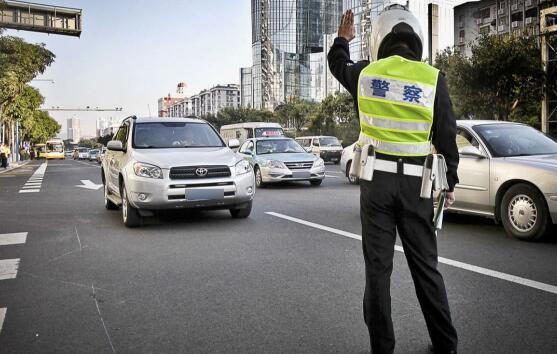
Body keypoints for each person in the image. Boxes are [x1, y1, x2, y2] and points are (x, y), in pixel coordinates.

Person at [328, 5, 459, 354]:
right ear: (414, 40)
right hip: (418, 186)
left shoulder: (366, 74)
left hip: (376, 185)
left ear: (379, 40)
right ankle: (446, 344)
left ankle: (382, 348)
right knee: (426, 268)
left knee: (378, 271)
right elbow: (447, 137)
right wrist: (450, 184)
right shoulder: (433, 79)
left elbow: (336, 64)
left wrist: (343, 39)